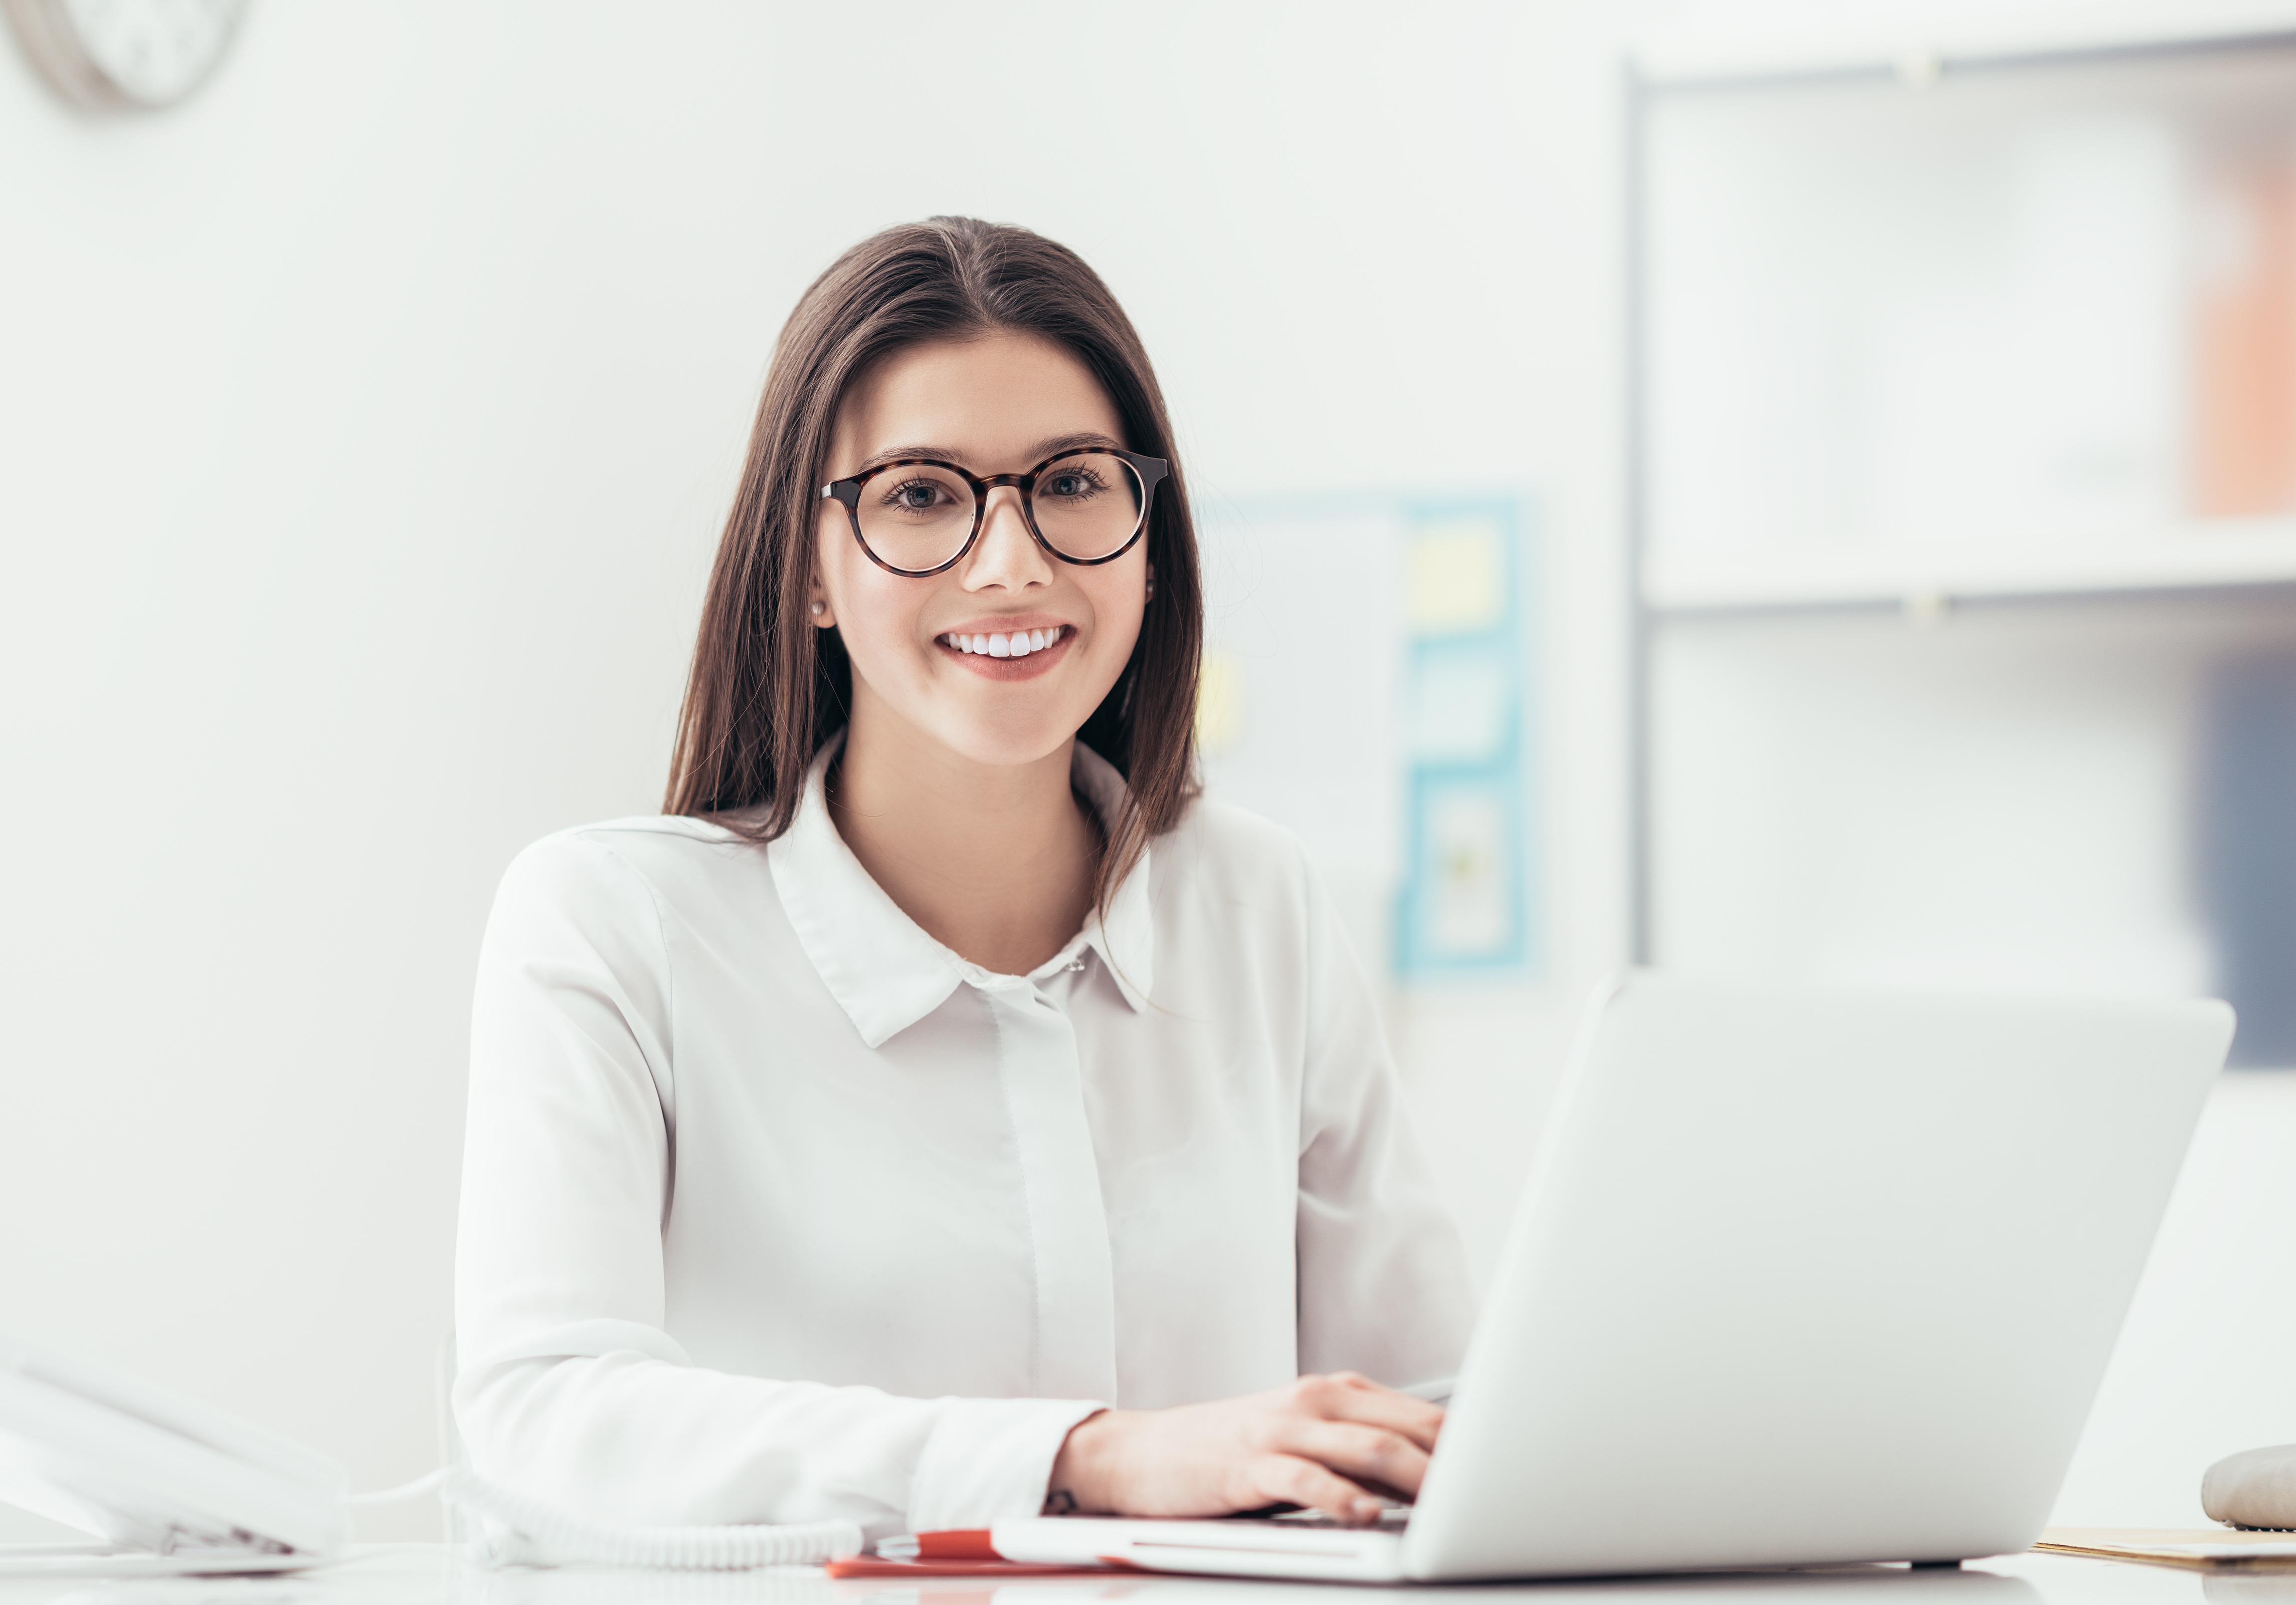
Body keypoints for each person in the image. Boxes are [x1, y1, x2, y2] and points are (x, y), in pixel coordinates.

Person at [453, 217, 1476, 1542]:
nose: (1012, 560)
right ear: (811, 570)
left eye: (1071, 483)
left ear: (1150, 542)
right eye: (923, 494)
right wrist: (1087, 1460)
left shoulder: (1257, 902)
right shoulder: (610, 925)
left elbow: (1423, 1407)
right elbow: (548, 1418)